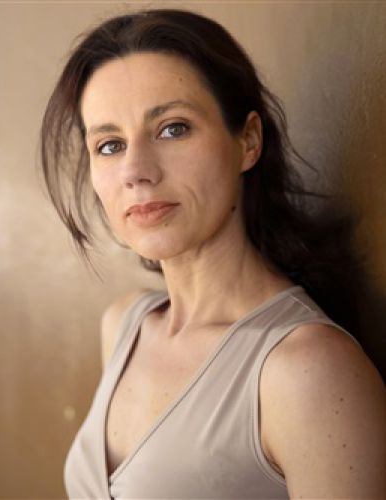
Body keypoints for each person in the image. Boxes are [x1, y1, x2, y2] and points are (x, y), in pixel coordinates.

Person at [40, 8, 386, 499]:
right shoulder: (124, 326)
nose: (136, 171)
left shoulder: (306, 369)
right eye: (110, 145)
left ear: (248, 140)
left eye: (172, 129)